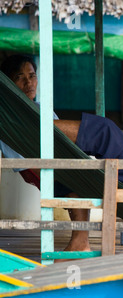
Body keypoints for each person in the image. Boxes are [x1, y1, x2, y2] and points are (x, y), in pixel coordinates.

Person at [0, 54, 91, 255]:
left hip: (49, 162)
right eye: (19, 77)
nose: (28, 82)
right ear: (8, 82)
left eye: (32, 75)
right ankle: (80, 241)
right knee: (76, 181)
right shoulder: (8, 113)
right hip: (32, 165)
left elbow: (62, 141)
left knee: (80, 178)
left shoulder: (41, 109)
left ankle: (80, 240)